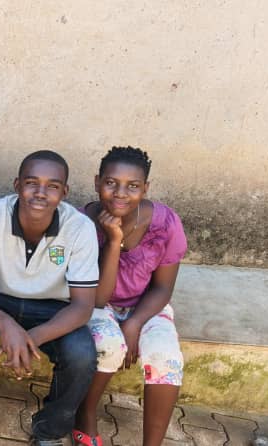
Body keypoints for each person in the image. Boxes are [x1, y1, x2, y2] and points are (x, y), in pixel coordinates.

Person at [0, 150, 98, 445]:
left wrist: (32, 338)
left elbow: (83, 306)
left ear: (65, 192)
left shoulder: (80, 228)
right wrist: (6, 325)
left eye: (53, 186)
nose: (40, 193)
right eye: (32, 182)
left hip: (52, 308)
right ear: (17, 185)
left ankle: (50, 430)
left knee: (83, 354)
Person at [73, 147, 187, 446]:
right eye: (111, 183)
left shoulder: (166, 224)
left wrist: (135, 323)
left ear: (145, 188)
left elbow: (163, 288)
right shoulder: (82, 222)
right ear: (97, 182)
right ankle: (85, 415)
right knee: (109, 345)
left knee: (166, 357)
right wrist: (113, 241)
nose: (120, 193)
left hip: (146, 304)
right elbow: (97, 298)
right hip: (98, 302)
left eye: (133, 186)